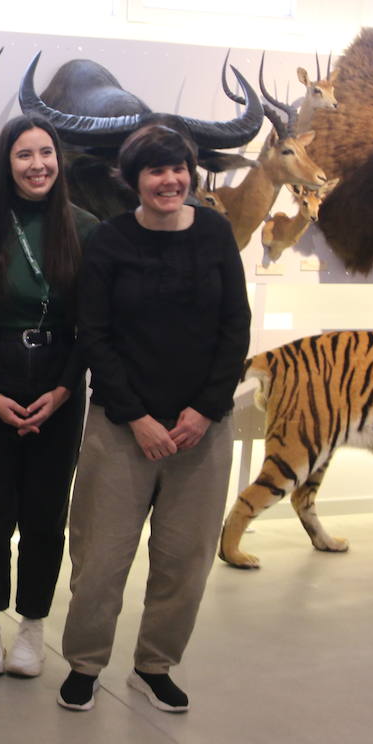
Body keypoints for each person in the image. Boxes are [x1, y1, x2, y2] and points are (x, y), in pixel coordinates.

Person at [58, 124, 250, 713]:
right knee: (99, 559)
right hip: (121, 429)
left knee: (185, 561)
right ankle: (85, 665)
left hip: (202, 433)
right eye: (155, 170)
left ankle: (154, 665)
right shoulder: (111, 241)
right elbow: (95, 333)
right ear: (133, 179)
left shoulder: (216, 233)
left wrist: (206, 410)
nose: (170, 180)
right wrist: (136, 415)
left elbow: (233, 327)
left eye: (178, 169)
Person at [0, 116, 98, 678]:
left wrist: (64, 390)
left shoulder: (85, 229)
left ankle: (33, 627)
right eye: (23, 155)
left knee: (44, 515)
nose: (37, 164)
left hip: (58, 382)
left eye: (46, 153)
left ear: (58, 160)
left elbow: (91, 322)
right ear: (5, 163)